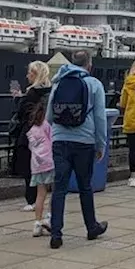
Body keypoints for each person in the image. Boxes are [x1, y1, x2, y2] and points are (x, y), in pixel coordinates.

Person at [45, 50, 109, 249]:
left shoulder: (58, 81)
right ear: (89, 65)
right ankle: (91, 227)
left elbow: (49, 116)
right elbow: (100, 118)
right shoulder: (95, 84)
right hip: (84, 141)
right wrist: (100, 144)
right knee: (85, 186)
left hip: (60, 140)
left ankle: (56, 234)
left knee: (60, 187)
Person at [11, 61, 52, 211]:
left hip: (30, 134)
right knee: (42, 166)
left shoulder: (31, 93)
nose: (27, 75)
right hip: (46, 133)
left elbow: (24, 114)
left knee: (29, 167)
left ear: (35, 75)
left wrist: (18, 99)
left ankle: (31, 200)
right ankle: (40, 199)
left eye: (29, 73)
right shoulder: (51, 91)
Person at [25, 102, 54, 238]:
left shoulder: (31, 130)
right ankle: (49, 217)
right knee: (54, 191)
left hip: (36, 165)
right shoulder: (46, 126)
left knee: (40, 195)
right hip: (49, 162)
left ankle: (37, 223)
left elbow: (31, 147)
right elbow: (52, 140)